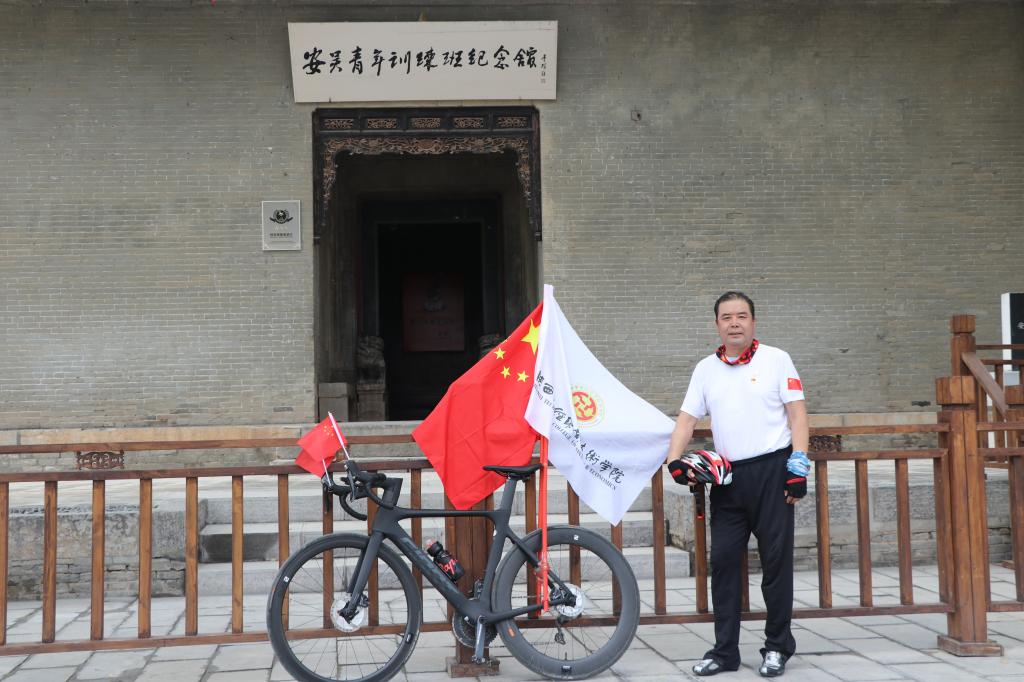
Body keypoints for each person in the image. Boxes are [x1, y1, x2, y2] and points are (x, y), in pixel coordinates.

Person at [666, 291, 809, 678]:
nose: (734, 323)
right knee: (724, 564)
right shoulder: (705, 370)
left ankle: (777, 646)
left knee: (776, 564)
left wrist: (798, 467)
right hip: (728, 480)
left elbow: (797, 415)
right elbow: (686, 419)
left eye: (742, 316)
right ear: (717, 324)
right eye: (727, 317)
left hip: (774, 474)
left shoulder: (777, 360)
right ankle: (725, 651)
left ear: (753, 322)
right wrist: (674, 460)